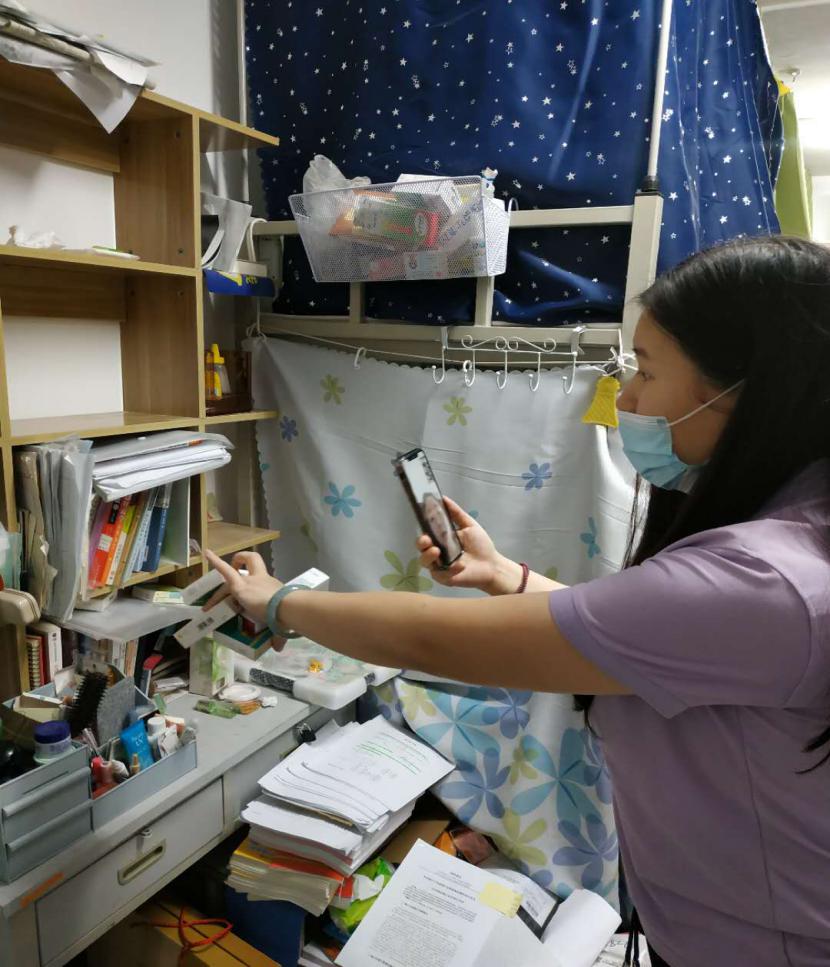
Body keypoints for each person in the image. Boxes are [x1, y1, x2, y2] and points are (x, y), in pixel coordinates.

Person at [205, 236, 830, 966]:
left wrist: (279, 600)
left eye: (647, 370)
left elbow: (432, 638)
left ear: (749, 389)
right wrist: (508, 577)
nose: (627, 399)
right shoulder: (793, 541)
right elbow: (651, 636)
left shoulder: (759, 580)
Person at [420, 491, 459, 562]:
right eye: (432, 519)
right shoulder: (437, 560)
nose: (439, 523)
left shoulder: (466, 542)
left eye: (439, 513)